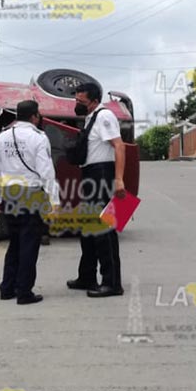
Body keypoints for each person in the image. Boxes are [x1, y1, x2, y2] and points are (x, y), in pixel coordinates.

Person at [0, 100, 59, 305]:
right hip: (30, 193)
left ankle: (7, 288)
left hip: (9, 193)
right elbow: (46, 171)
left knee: (15, 242)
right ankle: (24, 292)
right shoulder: (38, 138)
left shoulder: (2, 137)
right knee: (29, 244)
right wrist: (53, 200)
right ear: (34, 116)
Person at [67, 83, 126, 298]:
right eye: (76, 101)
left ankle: (111, 283)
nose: (77, 105)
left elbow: (119, 146)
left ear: (93, 101)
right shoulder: (91, 117)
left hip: (102, 174)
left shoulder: (104, 116)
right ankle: (87, 276)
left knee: (103, 230)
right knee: (88, 229)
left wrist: (119, 179)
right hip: (91, 173)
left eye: (81, 102)